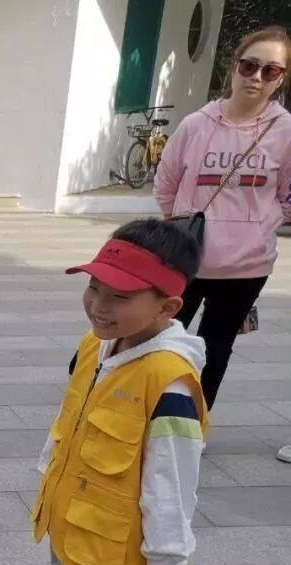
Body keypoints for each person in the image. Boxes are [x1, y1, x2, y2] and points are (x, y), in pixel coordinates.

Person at [11, 219, 207, 565]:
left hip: (120, 545)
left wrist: (169, 555)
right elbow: (69, 418)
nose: (99, 305)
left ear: (168, 307)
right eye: (94, 288)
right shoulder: (96, 346)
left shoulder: (168, 380)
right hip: (72, 519)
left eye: (120, 297)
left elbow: (173, 475)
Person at [154, 25, 291, 424]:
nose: (256, 77)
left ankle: (191, 426)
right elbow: (166, 185)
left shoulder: (286, 132)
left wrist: (258, 226)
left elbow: (287, 196)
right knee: (161, 338)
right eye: (249, 65)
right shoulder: (196, 124)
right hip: (186, 259)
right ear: (234, 66)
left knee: (215, 348)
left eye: (271, 70)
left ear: (281, 78)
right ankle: (148, 415)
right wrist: (184, 229)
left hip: (246, 267)